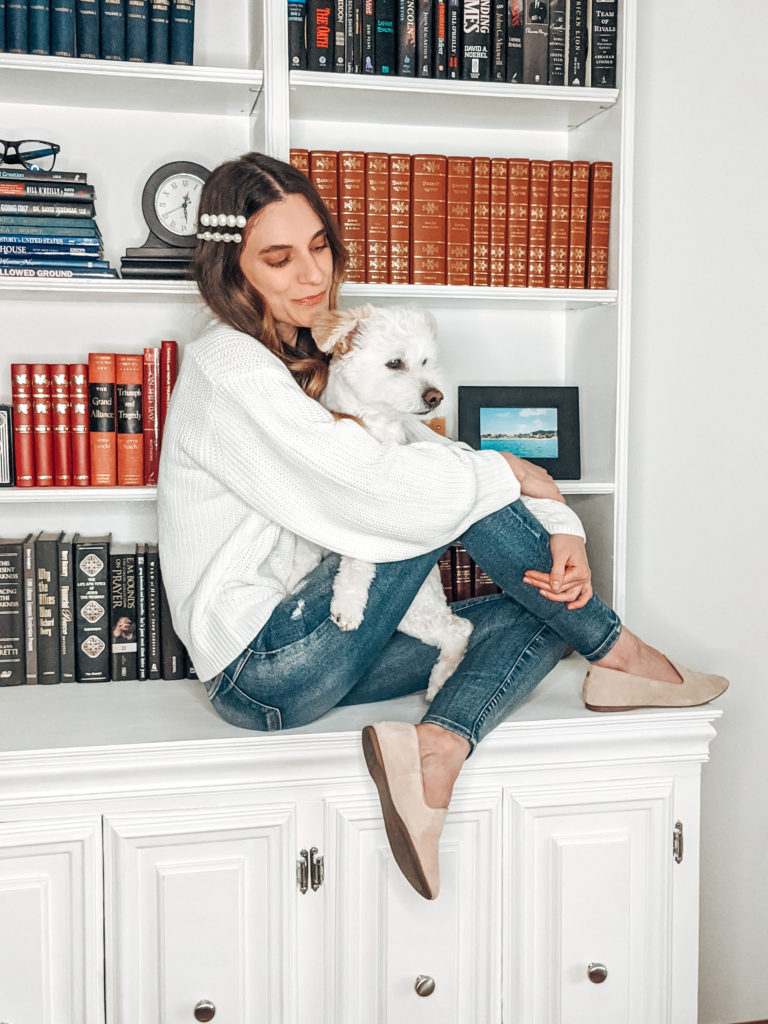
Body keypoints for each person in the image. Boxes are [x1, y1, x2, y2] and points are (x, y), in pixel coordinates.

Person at [157, 152, 728, 900]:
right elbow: (385, 491)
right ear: (232, 269)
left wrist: (561, 520)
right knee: (432, 496)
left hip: (331, 646)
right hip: (263, 665)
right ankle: (621, 650)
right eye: (279, 257)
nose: (313, 276)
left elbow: (440, 455)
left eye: (320, 245)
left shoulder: (310, 354)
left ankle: (438, 748)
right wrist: (513, 475)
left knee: (535, 614)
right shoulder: (227, 369)